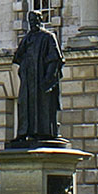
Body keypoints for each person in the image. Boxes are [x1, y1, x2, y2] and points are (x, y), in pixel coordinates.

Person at [11, 10, 63, 145]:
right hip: (29, 79)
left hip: (42, 79)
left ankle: (44, 132)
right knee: (25, 104)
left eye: (35, 20)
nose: (33, 23)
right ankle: (25, 132)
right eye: (31, 21)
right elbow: (17, 57)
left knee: (43, 106)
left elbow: (55, 59)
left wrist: (48, 78)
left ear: (40, 20)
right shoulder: (28, 38)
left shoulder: (48, 37)